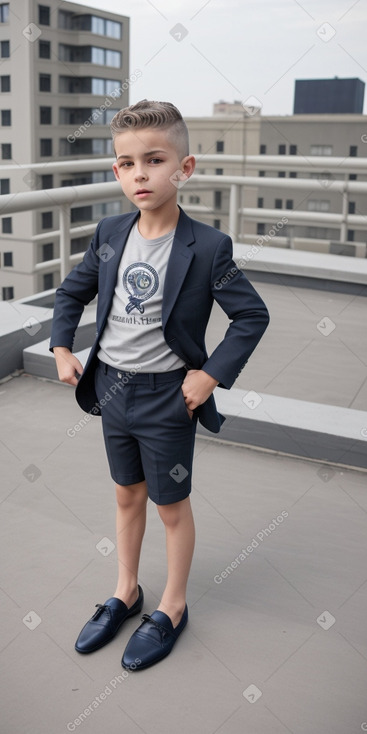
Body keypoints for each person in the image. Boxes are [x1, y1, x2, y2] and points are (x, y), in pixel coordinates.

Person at [50, 100, 269, 671]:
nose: (139, 174)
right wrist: (61, 346)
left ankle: (172, 605)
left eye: (153, 159)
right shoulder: (108, 232)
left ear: (184, 167)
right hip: (111, 391)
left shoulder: (207, 247)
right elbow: (72, 294)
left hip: (168, 398)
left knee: (171, 504)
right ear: (116, 171)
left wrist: (210, 373)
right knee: (126, 494)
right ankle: (126, 591)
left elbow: (252, 316)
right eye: (126, 163)